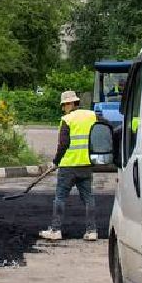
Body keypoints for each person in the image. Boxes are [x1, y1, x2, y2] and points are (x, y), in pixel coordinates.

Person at [40, 90, 99, 241]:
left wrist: (56, 161)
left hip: (68, 166)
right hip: (86, 164)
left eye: (64, 104)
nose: (63, 108)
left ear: (71, 103)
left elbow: (63, 144)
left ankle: (55, 230)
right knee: (88, 198)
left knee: (60, 197)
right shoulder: (92, 115)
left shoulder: (67, 119)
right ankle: (92, 231)